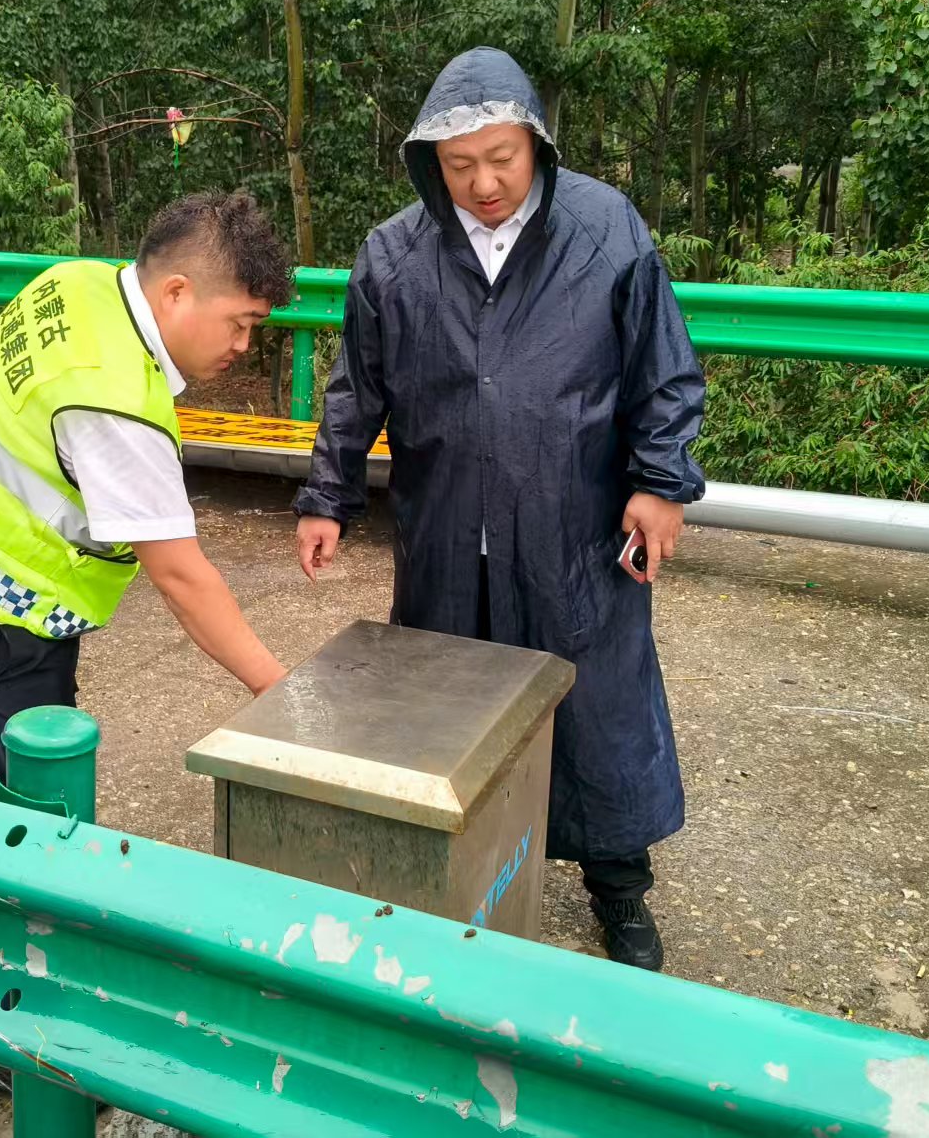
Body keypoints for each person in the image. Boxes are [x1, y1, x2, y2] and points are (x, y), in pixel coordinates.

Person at [293, 48, 706, 971]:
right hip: (445, 531)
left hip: (575, 525)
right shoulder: (395, 254)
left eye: (502, 158)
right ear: (428, 162)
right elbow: (357, 388)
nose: (483, 182)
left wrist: (662, 481)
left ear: (536, 145)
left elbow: (663, 372)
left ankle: (619, 891)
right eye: (459, 164)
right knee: (444, 712)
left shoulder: (605, 230)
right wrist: (329, 494)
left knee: (592, 703)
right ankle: (446, 879)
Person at [0, 193, 291, 1089]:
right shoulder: (116, 402)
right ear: (178, 292)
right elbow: (183, 578)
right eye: (242, 322)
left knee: (24, 794)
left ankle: (27, 984)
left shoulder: (79, 283)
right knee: (26, 821)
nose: (243, 347)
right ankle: (4, 1034)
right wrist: (282, 690)